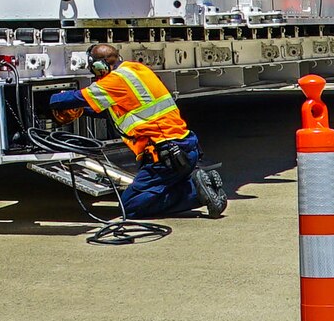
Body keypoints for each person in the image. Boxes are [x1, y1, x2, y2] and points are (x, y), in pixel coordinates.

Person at [43, 44, 228, 217]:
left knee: (130, 206)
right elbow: (114, 110)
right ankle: (200, 182)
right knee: (156, 189)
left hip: (165, 157)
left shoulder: (115, 81)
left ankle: (196, 193)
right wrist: (83, 110)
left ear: (100, 66)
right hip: (185, 149)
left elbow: (68, 99)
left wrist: (50, 99)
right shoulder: (136, 70)